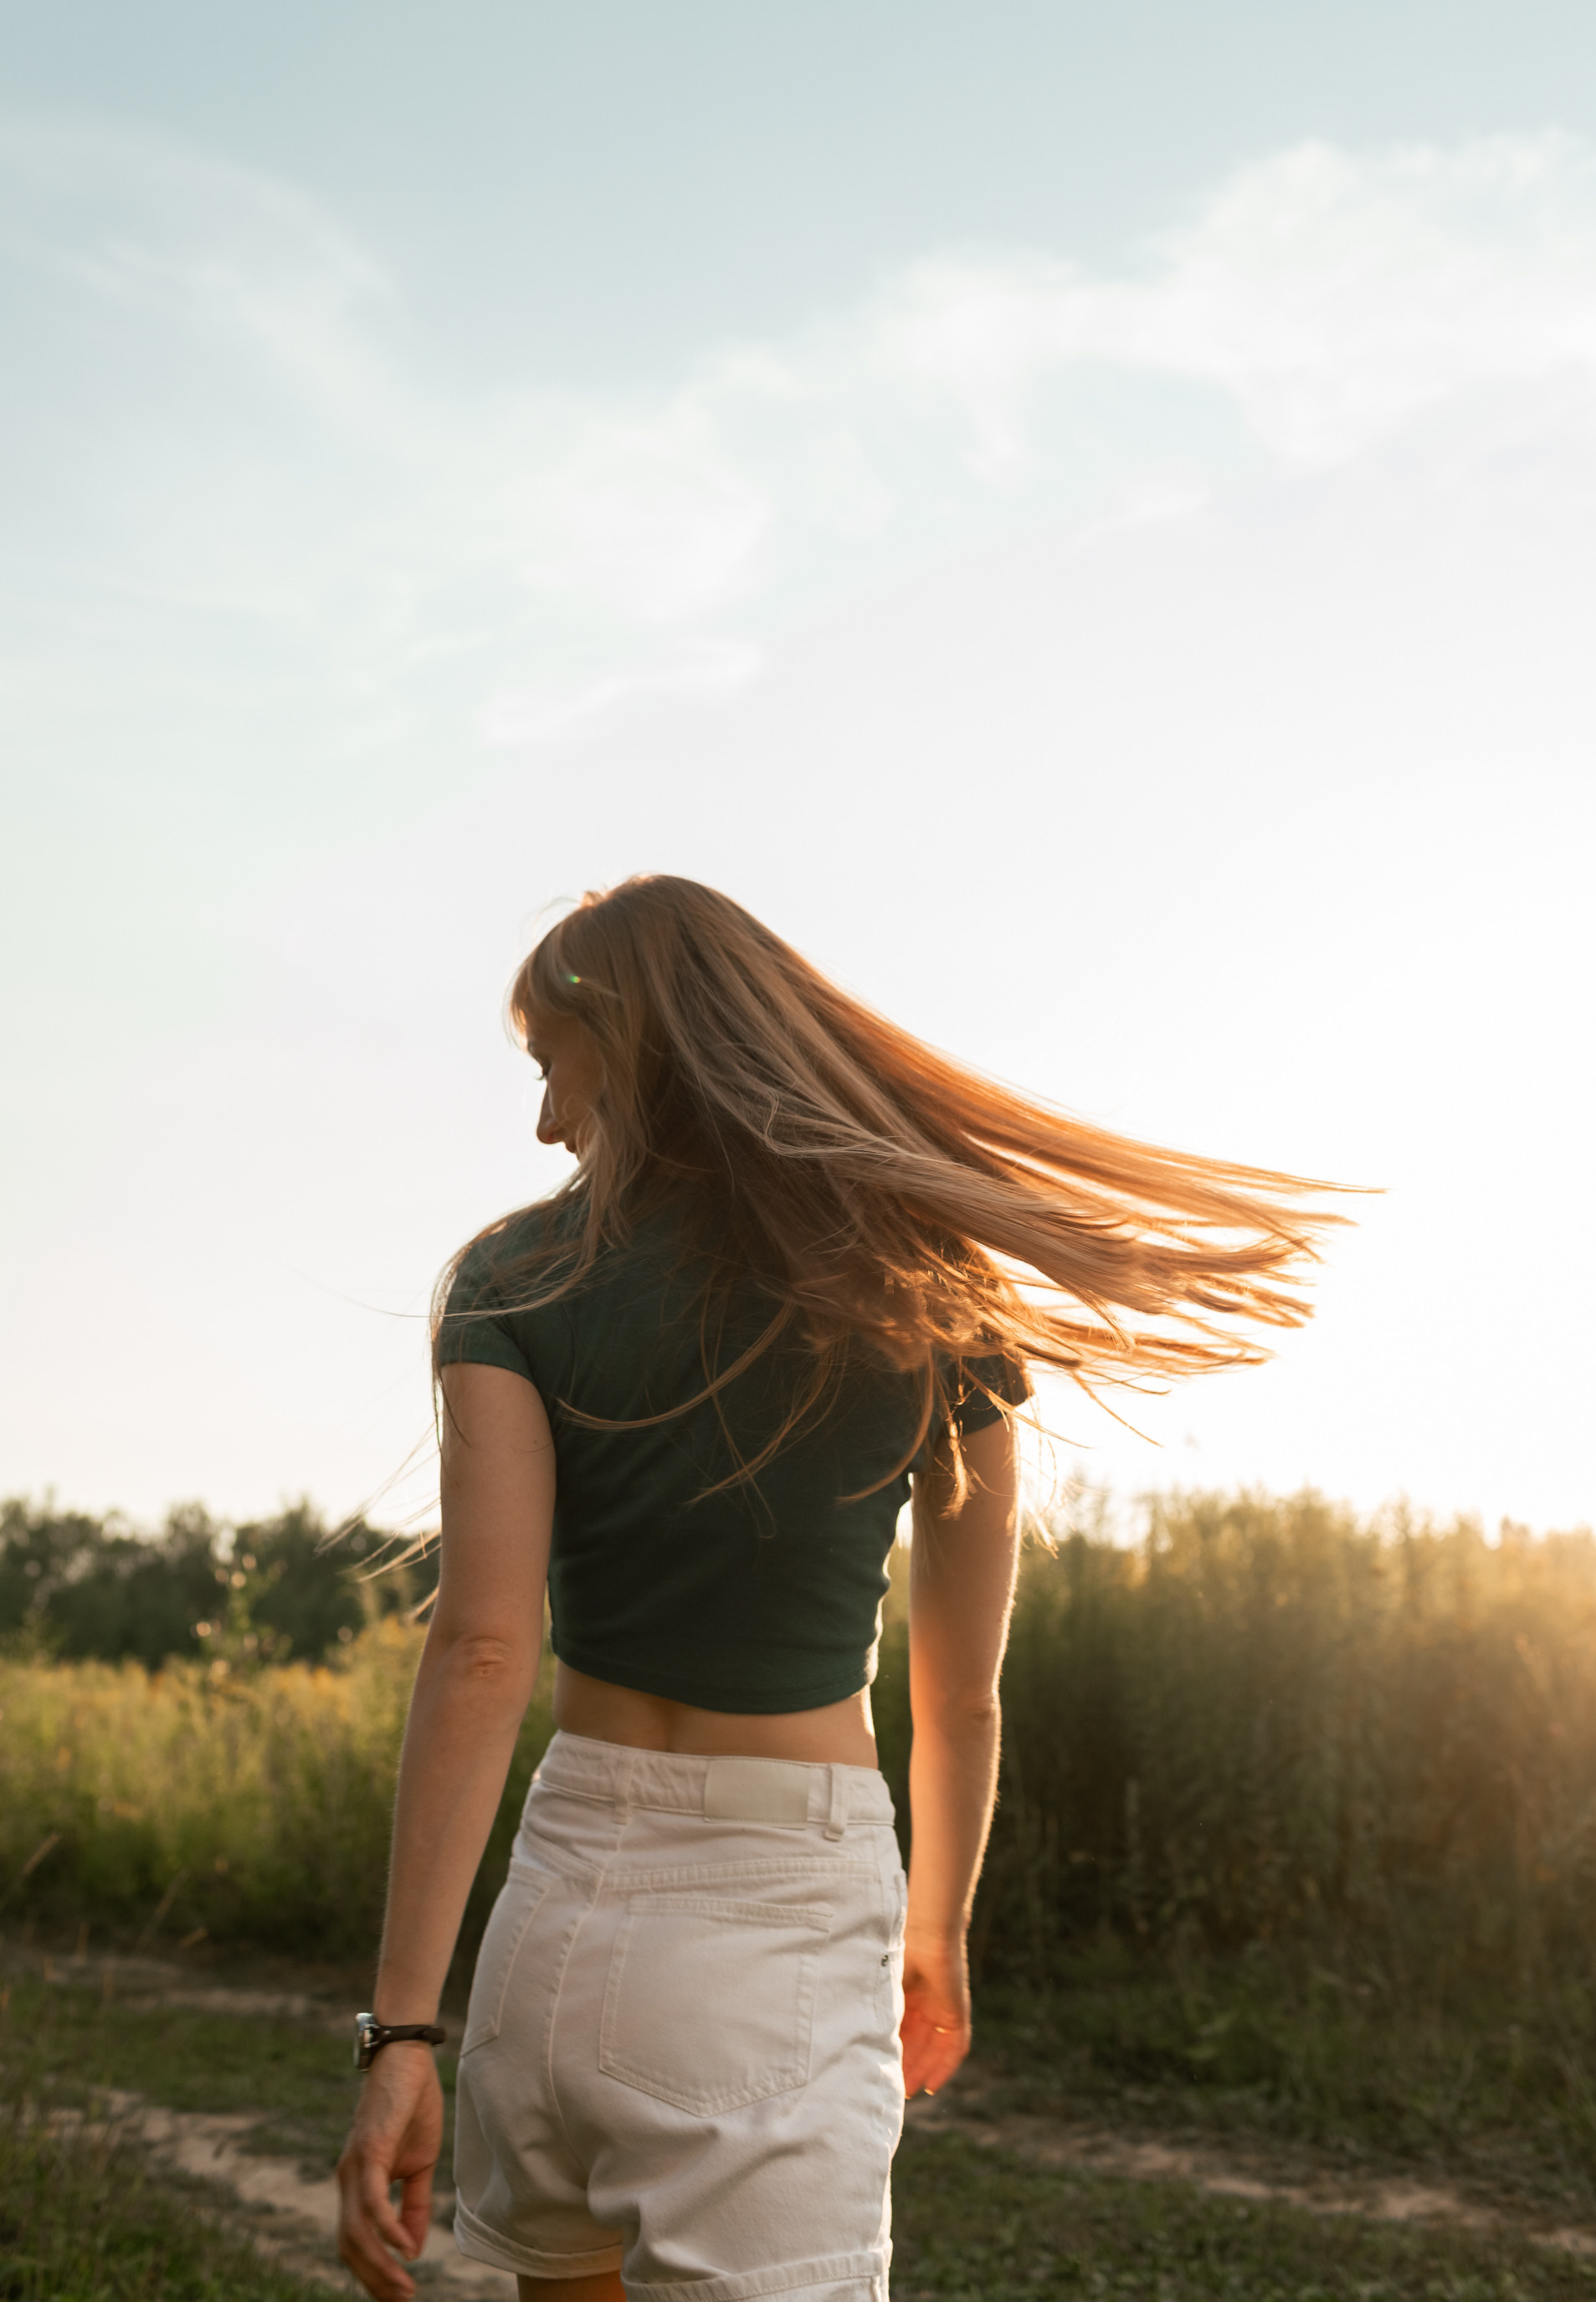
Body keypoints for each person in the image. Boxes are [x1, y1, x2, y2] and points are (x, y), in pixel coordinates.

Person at [336, 874, 1342, 2302]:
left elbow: (484, 1651)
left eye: (553, 1073)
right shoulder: (939, 1297)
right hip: (778, 1919)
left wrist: (402, 2039)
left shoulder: (509, 1277)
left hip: (550, 1929)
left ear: (631, 1050)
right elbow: (962, 1697)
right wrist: (934, 1933)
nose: (547, 1123)